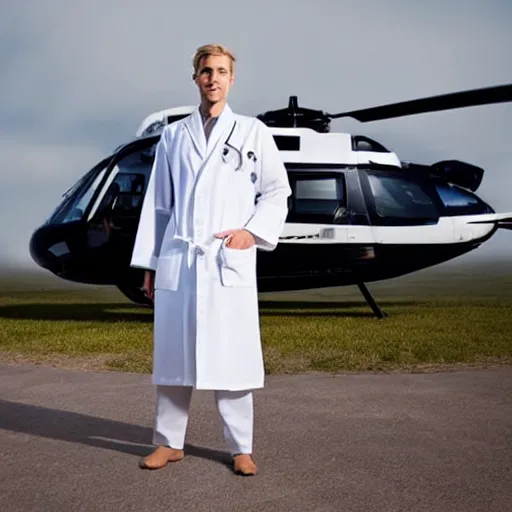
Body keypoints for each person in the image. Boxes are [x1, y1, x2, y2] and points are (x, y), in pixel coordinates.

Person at [130, 43, 291, 476]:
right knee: (172, 360)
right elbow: (159, 206)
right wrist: (150, 262)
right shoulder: (173, 135)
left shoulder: (253, 132)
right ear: (196, 77)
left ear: (232, 79)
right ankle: (168, 443)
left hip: (226, 260)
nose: (213, 78)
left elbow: (277, 192)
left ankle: (241, 448)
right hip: (180, 259)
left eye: (221, 71)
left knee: (232, 359)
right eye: (206, 71)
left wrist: (250, 233)